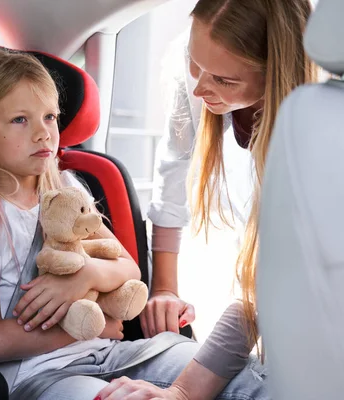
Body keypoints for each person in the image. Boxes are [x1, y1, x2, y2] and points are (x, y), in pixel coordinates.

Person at [0, 44, 269, 400]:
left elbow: (127, 268)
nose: (43, 133)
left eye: (50, 117)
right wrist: (98, 327)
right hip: (42, 374)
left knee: (238, 373)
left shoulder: (66, 187)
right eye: (20, 119)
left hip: (112, 353)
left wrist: (85, 277)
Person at [99, 0, 319, 398]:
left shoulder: (316, 153)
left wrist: (182, 392)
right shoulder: (202, 72)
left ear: (278, 76)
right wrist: (164, 288)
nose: (199, 88)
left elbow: (262, 292)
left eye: (223, 80)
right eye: (193, 63)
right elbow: (172, 173)